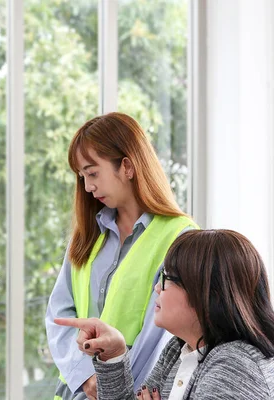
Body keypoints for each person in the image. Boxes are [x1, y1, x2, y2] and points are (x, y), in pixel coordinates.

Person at [45, 112, 198, 400]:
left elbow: (160, 339)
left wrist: (113, 386)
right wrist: (85, 375)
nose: (88, 187)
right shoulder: (87, 235)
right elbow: (59, 314)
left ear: (127, 166)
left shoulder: (180, 237)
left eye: (92, 173)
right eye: (82, 177)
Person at [55, 229, 274, 399]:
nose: (157, 288)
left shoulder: (234, 368)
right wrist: (114, 354)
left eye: (168, 279)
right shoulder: (177, 350)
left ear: (209, 295)